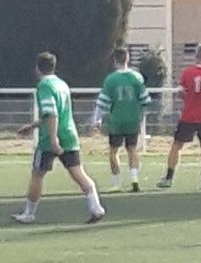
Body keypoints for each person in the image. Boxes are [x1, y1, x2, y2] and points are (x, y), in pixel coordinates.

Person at [11, 52, 106, 224]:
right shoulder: (62, 84)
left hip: (50, 138)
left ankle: (29, 213)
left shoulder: (44, 85)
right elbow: (57, 113)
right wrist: (33, 126)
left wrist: (53, 139)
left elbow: (51, 113)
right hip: (69, 134)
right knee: (78, 172)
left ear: (37, 68)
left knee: (37, 174)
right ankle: (96, 207)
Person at [157, 43, 201, 191]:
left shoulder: (188, 73)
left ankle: (169, 178)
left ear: (196, 56)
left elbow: (181, 92)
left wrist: (189, 97)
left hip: (189, 115)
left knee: (177, 145)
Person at [92, 48, 152, 192]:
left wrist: (97, 119)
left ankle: (117, 183)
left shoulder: (111, 80)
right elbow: (145, 100)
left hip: (116, 120)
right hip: (132, 119)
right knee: (132, 149)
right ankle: (135, 179)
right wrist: (141, 115)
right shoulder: (137, 78)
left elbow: (102, 102)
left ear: (114, 61)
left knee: (113, 151)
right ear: (128, 59)